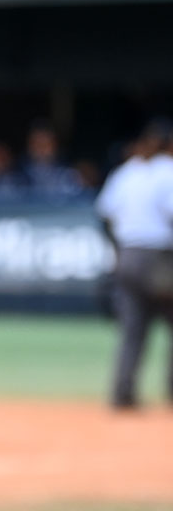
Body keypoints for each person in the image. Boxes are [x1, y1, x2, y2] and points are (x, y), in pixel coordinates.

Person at [94, 117, 173, 409]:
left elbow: (105, 214)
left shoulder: (127, 172)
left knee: (132, 329)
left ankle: (122, 393)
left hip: (128, 255)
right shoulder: (168, 172)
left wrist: (117, 250)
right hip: (161, 258)